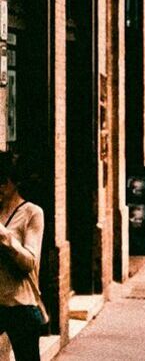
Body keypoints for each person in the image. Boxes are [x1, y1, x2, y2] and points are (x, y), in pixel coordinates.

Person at [0, 152, 47, 361]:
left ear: (14, 182)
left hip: (21, 306)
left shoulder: (32, 213)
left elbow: (29, 262)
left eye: (2, 182)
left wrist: (4, 236)